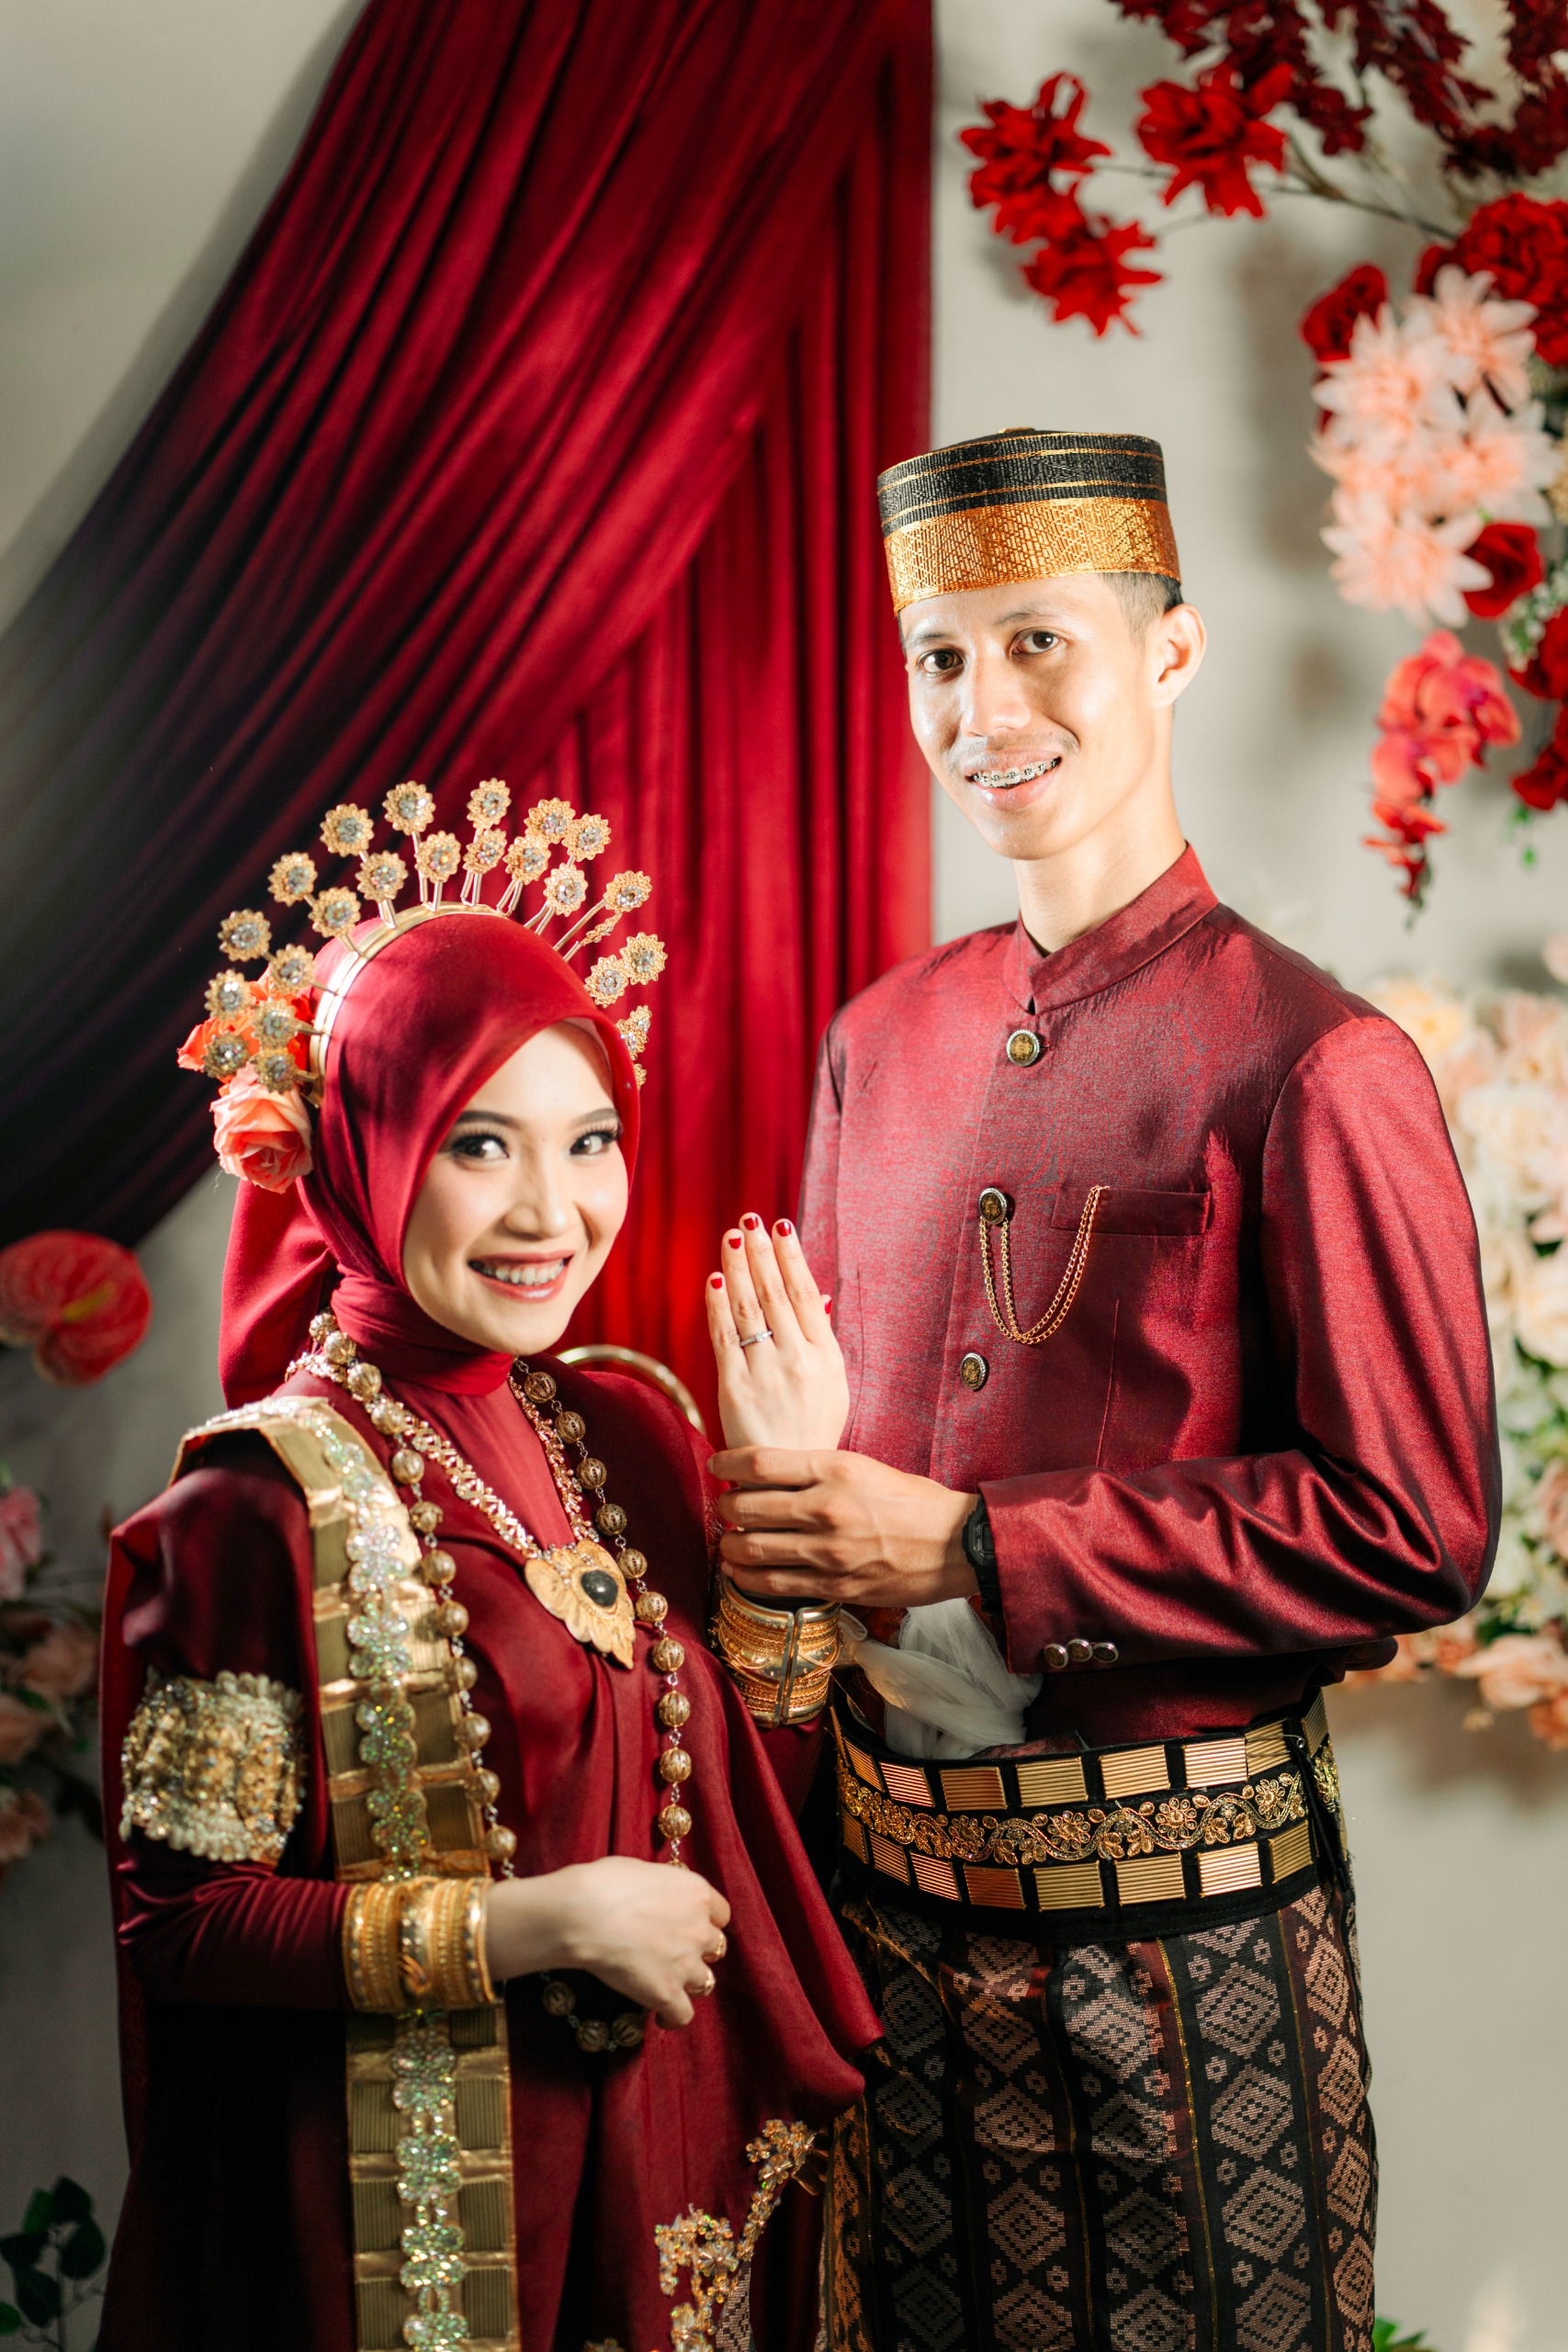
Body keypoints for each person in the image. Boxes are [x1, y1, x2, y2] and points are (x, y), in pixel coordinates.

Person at [704, 429, 1499, 2352]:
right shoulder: (877, 1043)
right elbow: (830, 1500)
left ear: (1174, 649)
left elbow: (1415, 1527)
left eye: (1037, 641)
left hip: (1183, 1955)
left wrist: (978, 1545)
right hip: (887, 1932)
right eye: (940, 657)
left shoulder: (1313, 1061)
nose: (983, 710)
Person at [98, 786, 877, 2352]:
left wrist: (786, 1491)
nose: (552, 1212)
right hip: (404, 2235)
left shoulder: (624, 1434)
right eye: (479, 1145)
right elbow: (179, 1922)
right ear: (363, 1157)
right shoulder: (254, 1504)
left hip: (654, 2191)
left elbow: (752, 1809)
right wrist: (535, 1923)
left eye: (590, 1142)